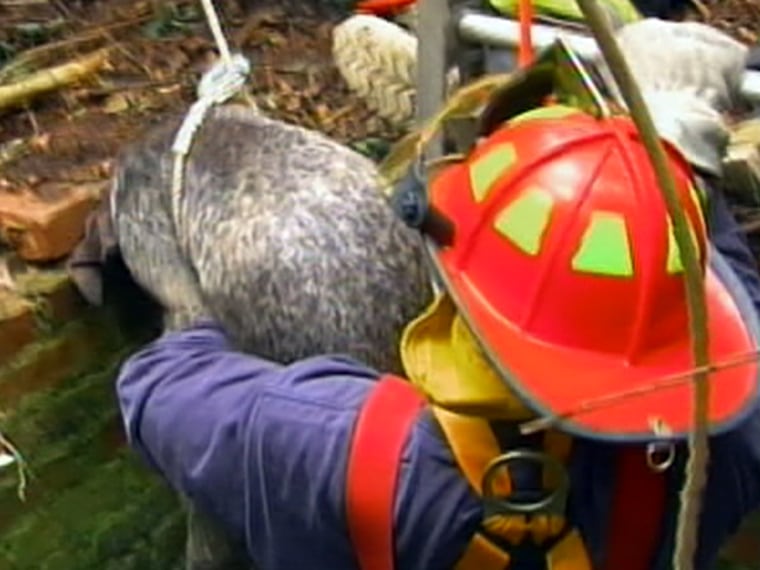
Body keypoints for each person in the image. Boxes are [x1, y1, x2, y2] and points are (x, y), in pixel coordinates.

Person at [115, 18, 760, 570]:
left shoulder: (345, 455)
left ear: (456, 279)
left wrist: (190, 305)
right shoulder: (734, 442)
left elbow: (157, 387)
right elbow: (726, 281)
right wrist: (665, 139)